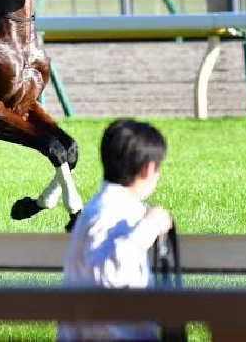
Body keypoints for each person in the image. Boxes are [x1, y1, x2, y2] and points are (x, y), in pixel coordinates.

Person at [57, 118, 173, 342]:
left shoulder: (104, 206)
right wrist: (148, 227)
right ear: (149, 169)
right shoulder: (112, 211)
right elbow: (106, 272)